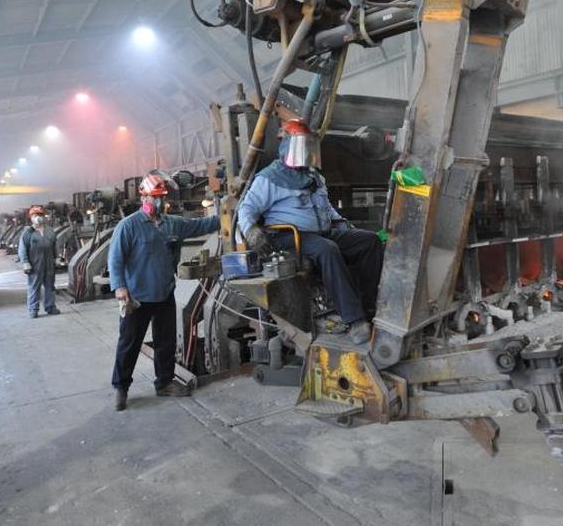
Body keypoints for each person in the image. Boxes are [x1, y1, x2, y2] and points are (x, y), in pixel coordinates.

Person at [238, 119, 384, 345]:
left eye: (308, 146)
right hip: (289, 238)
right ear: (286, 145)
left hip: (321, 233)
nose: (305, 151)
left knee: (370, 241)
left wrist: (343, 223)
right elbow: (246, 209)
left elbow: (327, 208)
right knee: (328, 250)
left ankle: (368, 306)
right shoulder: (270, 178)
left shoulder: (314, 176)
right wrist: (253, 232)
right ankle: (355, 320)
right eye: (300, 145)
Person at [108, 172, 220, 411]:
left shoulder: (172, 224)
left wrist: (229, 212)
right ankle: (121, 387)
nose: (159, 202)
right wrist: (119, 287)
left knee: (165, 342)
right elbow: (115, 259)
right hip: (136, 298)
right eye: (154, 197)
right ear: (144, 198)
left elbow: (203, 225)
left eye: (162, 197)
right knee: (129, 344)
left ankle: (164, 383)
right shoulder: (128, 226)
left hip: (164, 293)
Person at [18, 205, 59, 318]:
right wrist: (25, 262)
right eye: (36, 215)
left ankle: (50, 307)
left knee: (50, 287)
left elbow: (55, 246)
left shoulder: (50, 231)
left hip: (49, 264)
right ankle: (33, 310)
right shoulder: (27, 233)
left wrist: (57, 258)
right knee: (34, 288)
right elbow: (22, 249)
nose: (38, 217)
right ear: (31, 218)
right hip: (35, 266)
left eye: (40, 215)